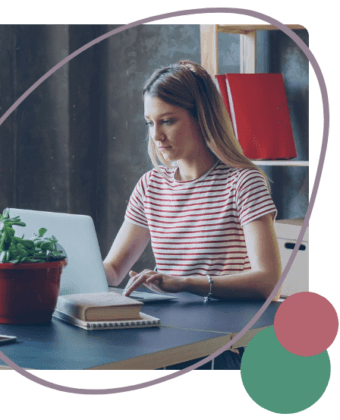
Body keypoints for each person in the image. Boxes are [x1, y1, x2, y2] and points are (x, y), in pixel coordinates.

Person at [103, 60, 282, 370]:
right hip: (168, 337)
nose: (157, 135)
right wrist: (53, 271)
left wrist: (185, 282)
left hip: (223, 344)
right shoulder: (151, 185)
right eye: (150, 122)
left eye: (168, 121)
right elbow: (115, 270)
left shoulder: (242, 182)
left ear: (202, 119)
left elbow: (268, 280)